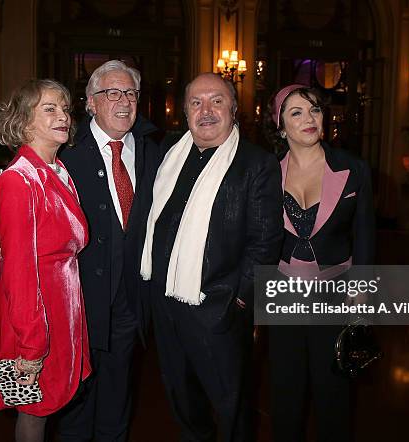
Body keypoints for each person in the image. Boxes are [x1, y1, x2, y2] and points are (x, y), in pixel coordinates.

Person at [0, 61, 162, 442]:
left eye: (130, 93)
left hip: (116, 307)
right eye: (111, 92)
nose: (123, 101)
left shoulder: (155, 152)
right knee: (59, 412)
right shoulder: (68, 152)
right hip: (70, 306)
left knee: (113, 401)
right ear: (92, 103)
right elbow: (20, 229)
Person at [140, 72, 283, 442]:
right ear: (184, 111)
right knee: (181, 397)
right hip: (165, 304)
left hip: (217, 308)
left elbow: (265, 243)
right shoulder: (167, 153)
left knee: (230, 404)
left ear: (234, 110)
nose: (206, 110)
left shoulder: (256, 164)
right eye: (196, 102)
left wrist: (237, 300)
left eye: (217, 101)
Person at [266, 84, 375, 442]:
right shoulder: (266, 173)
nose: (309, 119)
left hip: (336, 297)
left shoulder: (354, 169)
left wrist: (361, 301)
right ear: (281, 126)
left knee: (334, 396)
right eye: (296, 112)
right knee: (286, 394)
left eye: (314, 110)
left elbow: (366, 238)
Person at [0, 79, 92, 442]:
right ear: (24, 121)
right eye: (50, 108)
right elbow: (18, 272)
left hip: (63, 308)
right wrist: (31, 347)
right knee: (33, 412)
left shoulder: (59, 172)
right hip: (34, 315)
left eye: (64, 108)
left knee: (49, 406)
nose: (63, 115)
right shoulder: (18, 180)